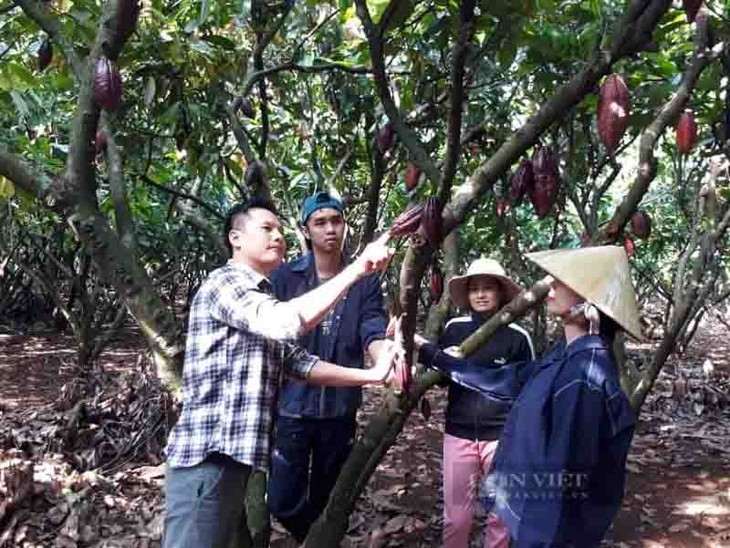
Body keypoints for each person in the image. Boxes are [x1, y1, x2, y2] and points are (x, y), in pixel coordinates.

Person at [162, 197, 397, 548]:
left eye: (280, 230)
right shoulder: (225, 284)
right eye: (266, 228)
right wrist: (359, 268)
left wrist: (374, 375)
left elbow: (298, 362)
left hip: (234, 458)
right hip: (207, 457)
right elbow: (286, 322)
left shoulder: (261, 293)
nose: (277, 237)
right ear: (235, 238)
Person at [414, 246, 640, 547]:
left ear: (588, 303)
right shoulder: (564, 356)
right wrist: (429, 352)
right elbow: (503, 380)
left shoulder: (586, 378)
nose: (550, 288)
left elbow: (566, 482)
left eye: (561, 283)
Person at [266, 190, 391, 542]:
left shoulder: (365, 280)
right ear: (306, 230)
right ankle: (313, 539)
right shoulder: (286, 277)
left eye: (336, 221)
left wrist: (384, 356)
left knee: (327, 495)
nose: (330, 229)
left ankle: (318, 537)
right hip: (293, 406)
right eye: (320, 222)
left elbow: (372, 327)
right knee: (281, 499)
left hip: (339, 409)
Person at [437, 258, 535, 548]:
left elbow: (527, 388)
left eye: (488, 288)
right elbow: (439, 379)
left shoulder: (518, 337)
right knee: (456, 516)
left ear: (501, 293)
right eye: (474, 288)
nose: (480, 294)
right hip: (459, 432)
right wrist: (448, 362)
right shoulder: (455, 329)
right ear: (467, 295)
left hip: (502, 438)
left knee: (500, 516)